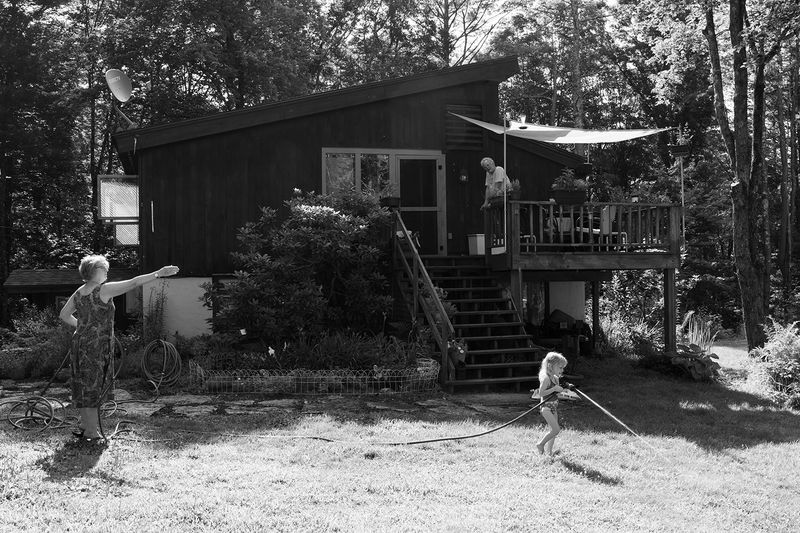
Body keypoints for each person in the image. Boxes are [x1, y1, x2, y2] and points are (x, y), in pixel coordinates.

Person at [59, 255, 179, 441]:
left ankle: (85, 425)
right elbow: (134, 283)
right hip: (96, 347)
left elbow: (64, 315)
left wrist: (84, 329)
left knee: (83, 384)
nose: (107, 271)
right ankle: (91, 431)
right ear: (93, 271)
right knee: (94, 386)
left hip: (80, 344)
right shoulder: (103, 290)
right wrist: (159, 273)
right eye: (103, 268)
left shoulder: (79, 292)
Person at [535, 351, 568, 456]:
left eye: (563, 368)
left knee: (552, 431)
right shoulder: (546, 378)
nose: (562, 370)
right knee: (556, 430)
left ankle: (549, 453)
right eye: (560, 367)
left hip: (554, 407)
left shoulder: (555, 378)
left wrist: (564, 389)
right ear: (550, 366)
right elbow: (541, 393)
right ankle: (540, 444)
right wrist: (554, 388)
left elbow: (555, 392)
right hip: (546, 408)